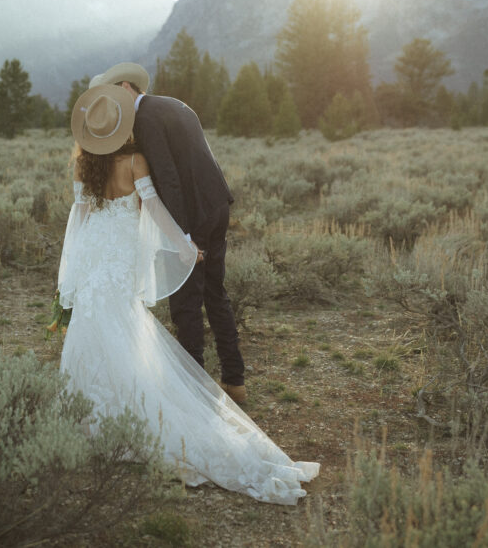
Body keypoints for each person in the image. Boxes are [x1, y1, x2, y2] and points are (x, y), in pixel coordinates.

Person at [57, 84, 319, 505]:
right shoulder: (134, 160)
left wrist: (68, 275)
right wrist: (182, 242)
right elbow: (157, 207)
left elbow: (79, 219)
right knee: (128, 327)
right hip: (120, 260)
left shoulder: (82, 167)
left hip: (93, 262)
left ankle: (92, 421)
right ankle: (191, 396)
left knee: (95, 331)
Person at [88, 62, 246, 404]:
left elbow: (169, 178)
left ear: (127, 88)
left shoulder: (145, 118)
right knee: (216, 293)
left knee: (186, 303)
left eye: (116, 97)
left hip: (193, 215)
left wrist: (182, 236)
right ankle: (235, 381)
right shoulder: (174, 104)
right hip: (217, 203)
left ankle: (195, 393)